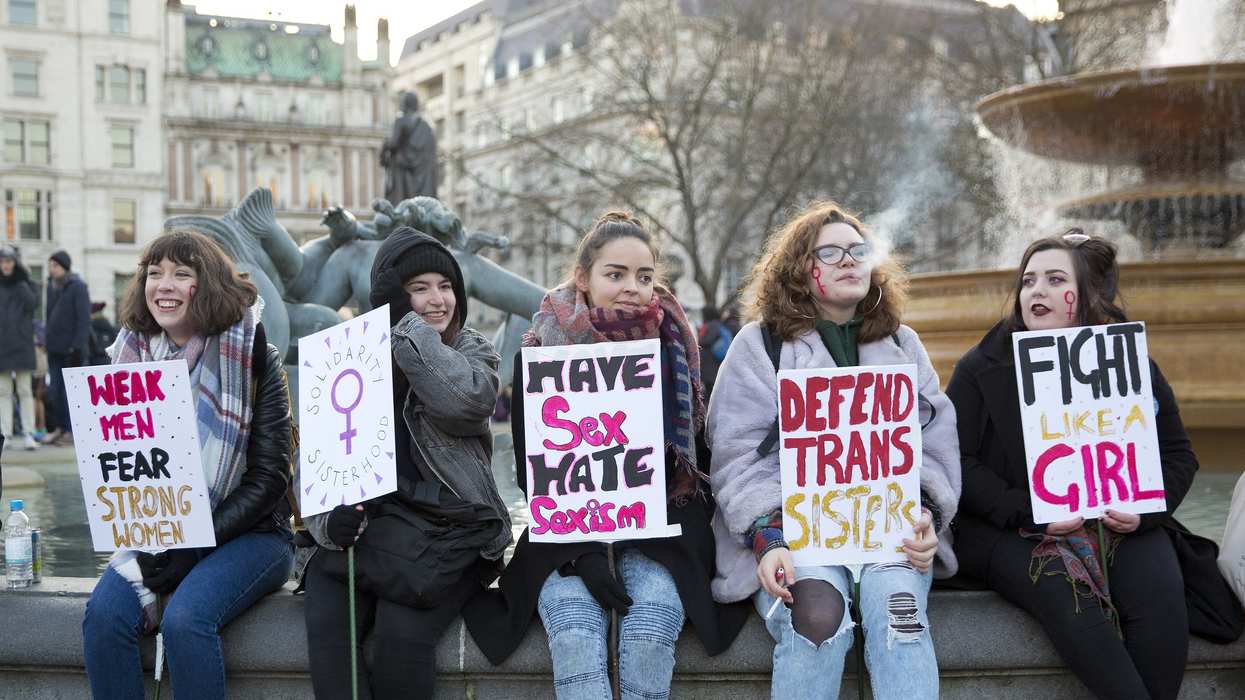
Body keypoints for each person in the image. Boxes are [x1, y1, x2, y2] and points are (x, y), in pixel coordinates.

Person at [465, 211, 748, 700]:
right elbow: (538, 477)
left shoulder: (680, 350)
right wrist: (585, 555)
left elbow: (701, 463)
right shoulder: (539, 356)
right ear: (584, 277)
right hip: (566, 536)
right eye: (615, 275)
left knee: (650, 630)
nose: (631, 288)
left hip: (666, 532)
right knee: (574, 633)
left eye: (644, 277)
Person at [707, 201, 960, 699]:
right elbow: (736, 457)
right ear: (801, 270)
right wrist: (770, 537)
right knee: (815, 616)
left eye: (858, 250)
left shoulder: (902, 344)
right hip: (797, 537)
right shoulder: (759, 346)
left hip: (891, 535)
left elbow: (934, 446)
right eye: (831, 253)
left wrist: (925, 515)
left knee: (900, 617)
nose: (849, 261)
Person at [947, 231, 1198, 700]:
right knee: (1064, 591)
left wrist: (1145, 513)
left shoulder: (1129, 363)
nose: (1036, 291)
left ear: (1086, 296)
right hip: (1008, 529)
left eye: (1054, 279)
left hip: (1120, 522)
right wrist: (1032, 511)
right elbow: (955, 461)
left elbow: (1179, 456)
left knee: (1161, 592)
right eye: (1027, 281)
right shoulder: (980, 367)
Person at [82, 230, 295, 699]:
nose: (165, 285)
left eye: (182, 273)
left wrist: (194, 547)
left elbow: (270, 478)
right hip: (161, 533)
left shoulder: (253, 354)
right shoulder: (129, 361)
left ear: (210, 283)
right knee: (103, 617)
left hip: (254, 534)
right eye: (154, 273)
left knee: (185, 621)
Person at [302, 227, 512, 699]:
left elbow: (465, 402)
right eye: (419, 289)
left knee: (403, 637)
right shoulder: (347, 358)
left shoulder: (473, 350)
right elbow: (314, 462)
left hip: (452, 531)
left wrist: (405, 326)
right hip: (374, 530)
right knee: (328, 623)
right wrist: (324, 522)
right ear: (392, 296)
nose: (438, 300)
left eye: (446, 286)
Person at [41, 250, 90, 445]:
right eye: (50, 266)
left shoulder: (77, 286)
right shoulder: (51, 287)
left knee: (70, 393)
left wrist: (78, 346)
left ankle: (72, 431)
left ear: (64, 266)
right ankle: (60, 429)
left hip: (71, 349)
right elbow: (48, 316)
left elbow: (83, 319)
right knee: (55, 391)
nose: (52, 269)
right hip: (54, 348)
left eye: (55, 265)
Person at [0, 245, 40, 450]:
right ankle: (5, 434)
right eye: (2, 261)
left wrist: (22, 282)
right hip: (2, 347)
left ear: (15, 263)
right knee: (3, 392)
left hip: (23, 344)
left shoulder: (26, 283)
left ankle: (28, 433)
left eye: (9, 261)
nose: (5, 265)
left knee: (25, 391)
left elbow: (33, 304)